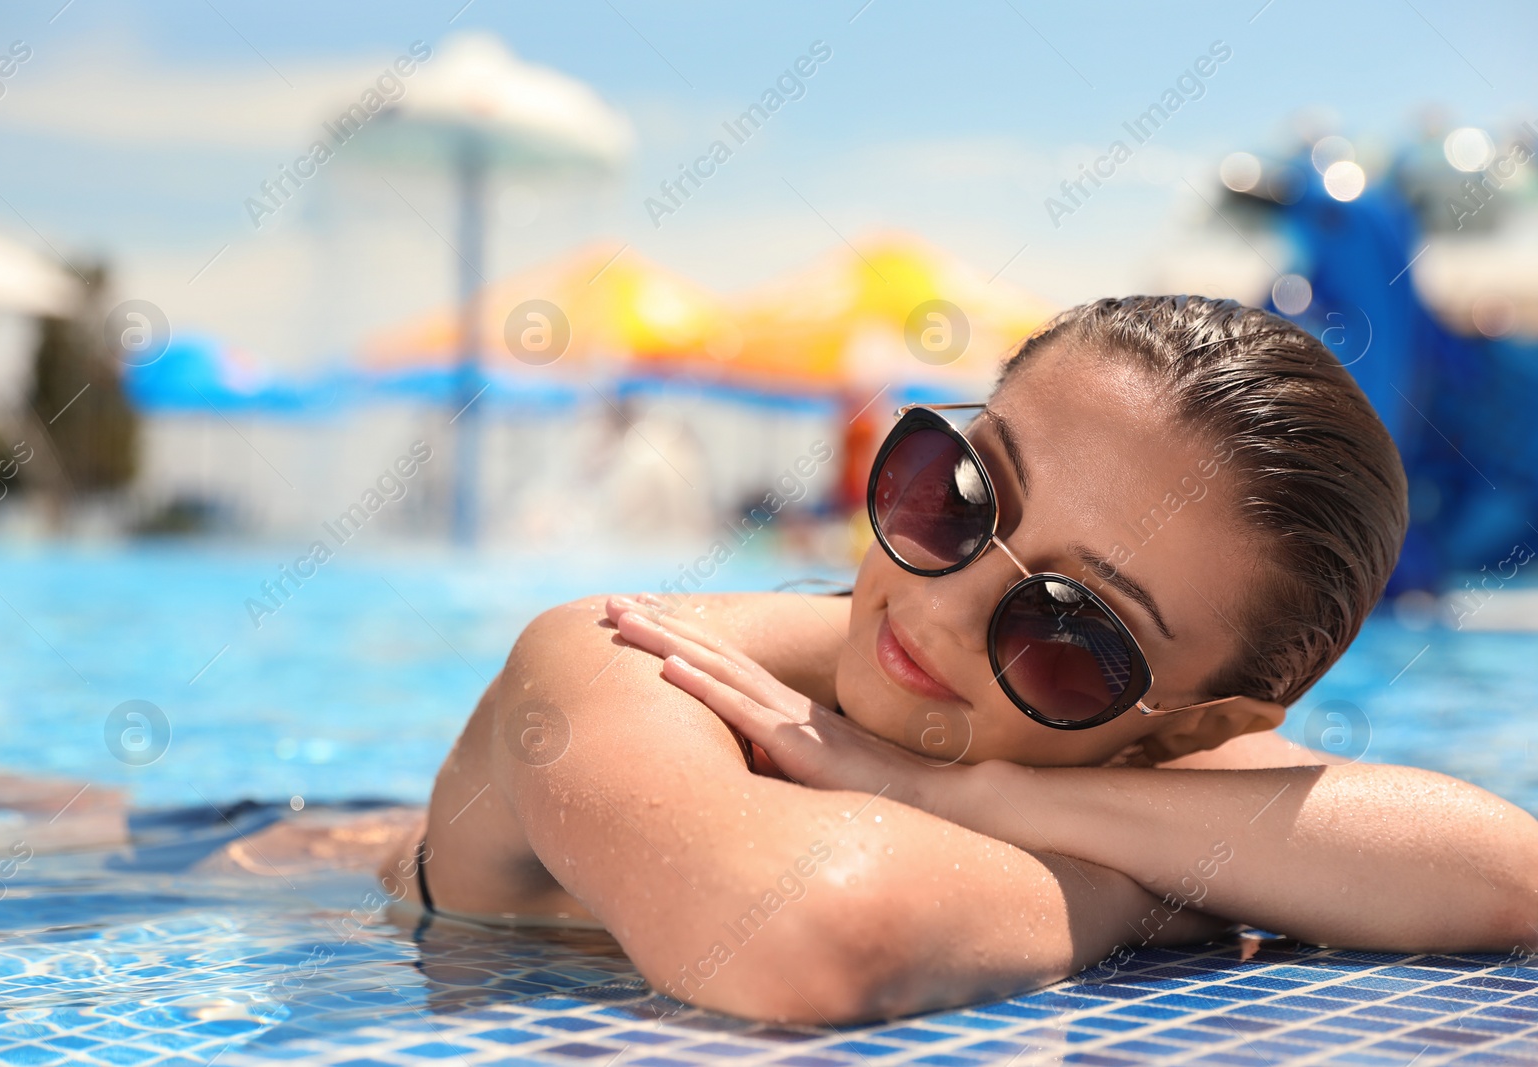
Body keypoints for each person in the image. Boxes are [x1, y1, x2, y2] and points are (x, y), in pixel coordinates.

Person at [378, 296, 1538, 1023]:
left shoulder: (1106, 761)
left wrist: (957, 793)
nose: (947, 593)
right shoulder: (618, 657)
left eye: (1072, 622)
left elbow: (1507, 876)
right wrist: (1156, 897)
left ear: (1186, 727)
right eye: (962, 489)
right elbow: (813, 939)